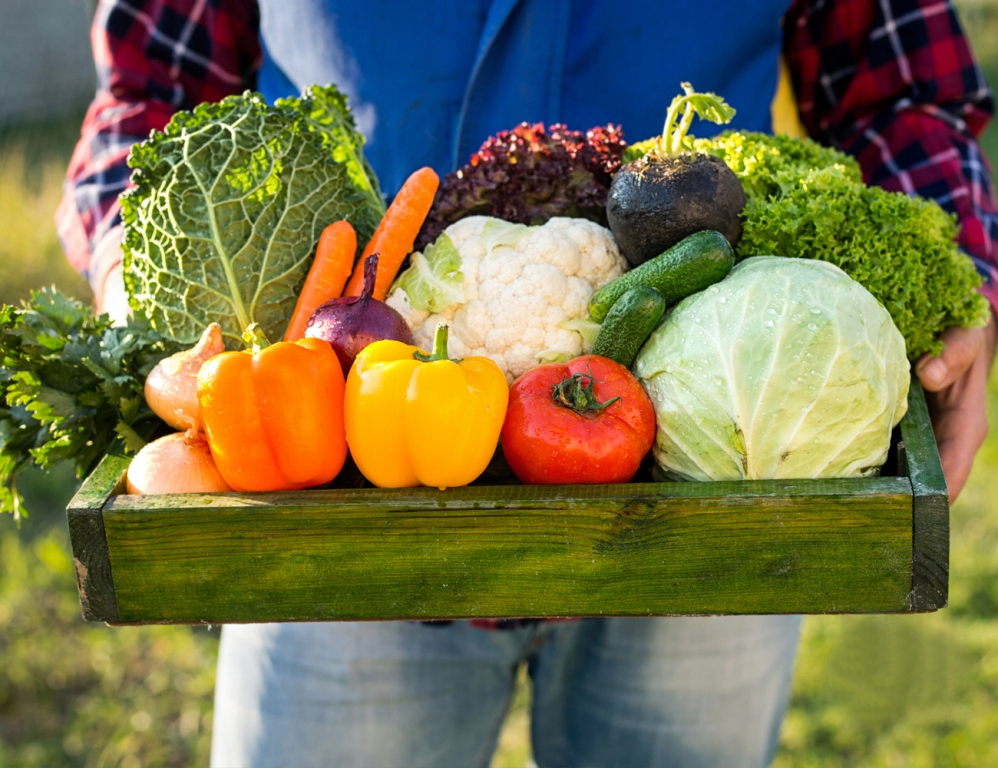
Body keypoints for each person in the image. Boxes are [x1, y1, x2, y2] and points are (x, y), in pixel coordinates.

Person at [59, 1, 998, 766]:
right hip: (329, 497)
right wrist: (145, 289)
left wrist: (961, 271)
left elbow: (903, 95)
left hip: (710, 491)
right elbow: (152, 90)